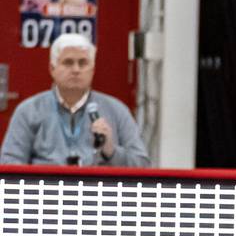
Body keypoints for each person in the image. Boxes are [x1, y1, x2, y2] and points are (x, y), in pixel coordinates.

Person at [0, 32, 150, 167]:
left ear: (92, 69)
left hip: (97, 194)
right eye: (68, 62)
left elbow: (143, 165)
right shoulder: (29, 110)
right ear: (52, 69)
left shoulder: (116, 110)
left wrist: (111, 151)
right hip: (46, 192)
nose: (76, 70)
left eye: (83, 63)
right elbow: (8, 163)